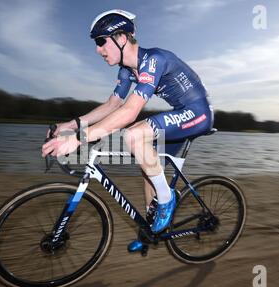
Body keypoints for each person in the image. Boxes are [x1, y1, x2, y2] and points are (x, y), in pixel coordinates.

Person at [42, 9, 214, 252]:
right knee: (148, 169)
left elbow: (130, 112)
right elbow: (112, 105)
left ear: (121, 38)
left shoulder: (153, 60)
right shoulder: (126, 70)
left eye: (101, 41)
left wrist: (79, 140)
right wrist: (70, 126)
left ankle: (167, 200)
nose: (97, 50)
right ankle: (151, 230)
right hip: (181, 115)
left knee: (134, 134)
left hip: (198, 113)